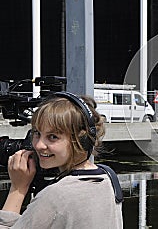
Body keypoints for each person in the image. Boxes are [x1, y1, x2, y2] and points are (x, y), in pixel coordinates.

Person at [0, 92, 123, 228]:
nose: (39, 145)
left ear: (81, 141)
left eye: (53, 137)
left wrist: (18, 188)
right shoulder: (109, 178)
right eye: (37, 133)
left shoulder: (55, 197)